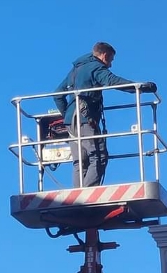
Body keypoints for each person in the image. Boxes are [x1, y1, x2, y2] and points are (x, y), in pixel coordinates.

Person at [54, 43, 157, 188]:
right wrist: (139, 87)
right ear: (105, 55)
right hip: (85, 120)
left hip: (71, 122)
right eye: (111, 60)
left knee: (80, 161)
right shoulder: (95, 67)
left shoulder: (75, 70)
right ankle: (86, 193)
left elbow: (57, 95)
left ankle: (77, 193)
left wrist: (66, 115)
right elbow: (113, 81)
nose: (110, 65)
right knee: (98, 156)